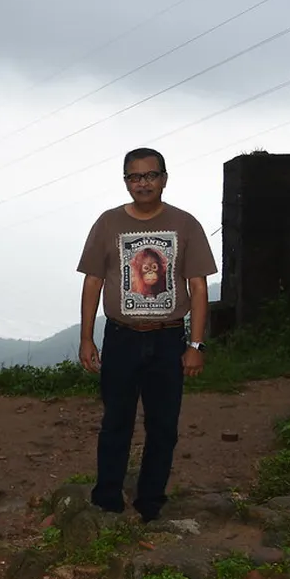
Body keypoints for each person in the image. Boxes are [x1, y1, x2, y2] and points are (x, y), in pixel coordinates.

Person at [76, 147, 218, 522]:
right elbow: (92, 280)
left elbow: (199, 287)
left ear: (164, 178)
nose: (143, 183)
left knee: (163, 426)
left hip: (169, 339)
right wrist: (87, 337)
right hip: (121, 337)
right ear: (125, 181)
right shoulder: (107, 224)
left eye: (150, 175)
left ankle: (150, 502)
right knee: (115, 422)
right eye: (134, 177)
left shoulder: (185, 224)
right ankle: (107, 499)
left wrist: (196, 345)